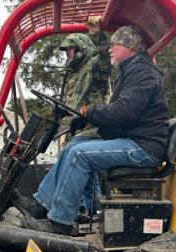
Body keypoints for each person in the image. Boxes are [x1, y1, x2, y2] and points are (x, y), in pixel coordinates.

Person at [18, 25, 169, 235]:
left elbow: (125, 111)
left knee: (79, 155)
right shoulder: (131, 70)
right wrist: (84, 118)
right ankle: (42, 205)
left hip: (144, 148)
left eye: (115, 45)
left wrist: (89, 113)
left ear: (131, 47)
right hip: (134, 139)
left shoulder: (142, 72)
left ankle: (60, 222)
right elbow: (123, 114)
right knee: (76, 145)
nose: (110, 49)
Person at [58, 16, 111, 216]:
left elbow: (106, 59)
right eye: (66, 51)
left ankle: (66, 208)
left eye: (70, 49)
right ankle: (91, 210)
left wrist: (96, 33)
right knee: (88, 175)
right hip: (78, 128)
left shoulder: (94, 66)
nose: (67, 55)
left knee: (69, 156)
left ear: (80, 47)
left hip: (93, 128)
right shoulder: (76, 73)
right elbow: (74, 104)